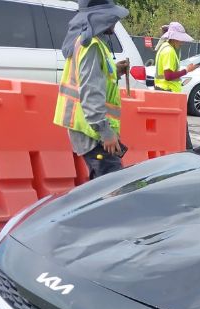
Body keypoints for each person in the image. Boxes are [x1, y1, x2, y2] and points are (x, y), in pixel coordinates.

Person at [54, 0, 130, 179]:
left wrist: (116, 71)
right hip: (92, 130)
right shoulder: (91, 46)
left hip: (89, 128)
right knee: (111, 183)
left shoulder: (91, 43)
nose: (114, 23)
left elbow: (95, 79)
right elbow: (90, 91)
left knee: (102, 182)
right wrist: (105, 132)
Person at [154, 22, 199, 149]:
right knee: (180, 125)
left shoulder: (164, 47)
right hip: (168, 92)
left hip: (163, 91)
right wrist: (187, 71)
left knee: (171, 126)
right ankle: (188, 151)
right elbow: (168, 75)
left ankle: (181, 149)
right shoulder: (169, 51)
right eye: (180, 39)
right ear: (174, 37)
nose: (182, 42)